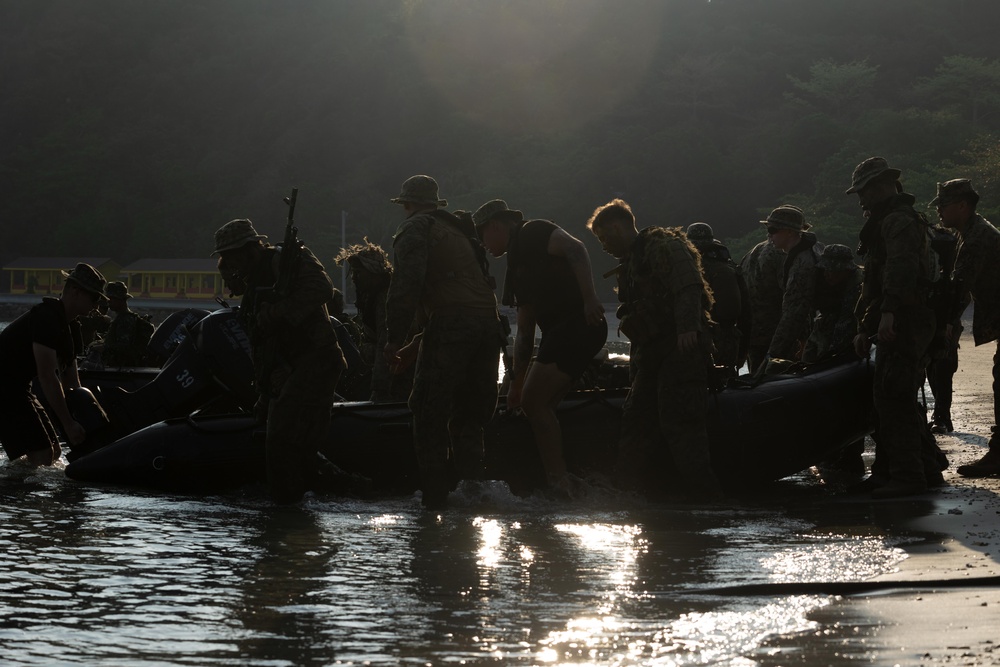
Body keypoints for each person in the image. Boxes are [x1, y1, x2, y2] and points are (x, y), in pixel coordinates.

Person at [587, 198, 723, 500]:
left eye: (604, 237)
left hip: (680, 346)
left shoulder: (663, 245)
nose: (604, 246)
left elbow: (688, 286)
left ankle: (706, 499)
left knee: (682, 425)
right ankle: (630, 494)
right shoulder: (633, 262)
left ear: (618, 227)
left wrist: (688, 328)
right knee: (636, 420)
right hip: (652, 351)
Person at [383, 175, 505, 509]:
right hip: (488, 325)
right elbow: (463, 297)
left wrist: (394, 338)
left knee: (427, 409)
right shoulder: (457, 230)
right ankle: (474, 494)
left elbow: (407, 285)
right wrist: (416, 344)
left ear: (407, 204)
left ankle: (434, 500)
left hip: (454, 324)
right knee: (468, 415)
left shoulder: (416, 228)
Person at [473, 199, 608, 496]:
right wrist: (516, 382)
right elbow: (525, 329)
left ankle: (559, 482)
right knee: (538, 404)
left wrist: (589, 298)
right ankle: (562, 477)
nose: (482, 245)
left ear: (495, 226)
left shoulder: (533, 232)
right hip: (559, 334)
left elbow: (576, 249)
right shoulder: (516, 264)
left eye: (482, 236)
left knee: (535, 403)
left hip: (579, 325)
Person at [212, 217, 345, 504]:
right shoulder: (253, 288)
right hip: (290, 367)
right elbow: (262, 347)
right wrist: (264, 390)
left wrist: (277, 312)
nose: (232, 266)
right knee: (286, 438)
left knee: (283, 440)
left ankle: (290, 510)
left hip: (316, 358)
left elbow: (322, 289)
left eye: (233, 256)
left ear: (248, 249)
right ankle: (311, 496)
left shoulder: (286, 262)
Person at [848, 156, 939, 498]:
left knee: (893, 397)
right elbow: (872, 278)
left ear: (882, 187)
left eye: (865, 191)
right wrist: (863, 324)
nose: (861, 199)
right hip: (898, 315)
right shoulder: (885, 221)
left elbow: (900, 271)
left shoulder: (898, 221)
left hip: (905, 318)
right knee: (892, 396)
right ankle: (913, 469)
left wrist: (887, 314)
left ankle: (907, 476)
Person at [0, 263, 107, 466]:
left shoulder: (72, 327)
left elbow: (71, 383)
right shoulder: (46, 317)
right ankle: (13, 492)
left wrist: (80, 421)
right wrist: (67, 423)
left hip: (21, 388)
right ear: (75, 291)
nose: (96, 304)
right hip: (4, 389)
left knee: (54, 452)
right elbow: (47, 376)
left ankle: (19, 481)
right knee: (42, 454)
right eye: (94, 298)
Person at [927, 179, 1000, 477]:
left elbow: (960, 287)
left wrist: (946, 323)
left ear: (963, 206)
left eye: (944, 206)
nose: (939, 211)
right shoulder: (969, 233)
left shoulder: (977, 237)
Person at [335, 238, 413, 403]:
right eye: (354, 273)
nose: (355, 278)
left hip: (395, 374)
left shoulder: (384, 298)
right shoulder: (371, 296)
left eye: (359, 273)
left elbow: (385, 344)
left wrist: (379, 388)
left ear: (374, 273)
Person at [686, 222, 750, 376]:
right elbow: (746, 313)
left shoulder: (686, 270)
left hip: (694, 340)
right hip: (727, 341)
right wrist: (743, 352)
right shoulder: (729, 268)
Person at [761, 205, 822, 365]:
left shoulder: (803, 262)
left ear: (790, 231)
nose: (769, 235)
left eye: (773, 229)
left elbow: (794, 313)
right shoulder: (802, 254)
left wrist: (772, 355)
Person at [802, 244, 862, 362]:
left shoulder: (857, 285)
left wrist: (831, 355)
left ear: (844, 270)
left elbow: (846, 322)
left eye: (830, 270)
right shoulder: (830, 284)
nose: (826, 274)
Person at [739, 233, 786, 374]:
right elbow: (791, 296)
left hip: (752, 332)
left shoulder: (751, 253)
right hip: (776, 332)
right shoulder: (780, 254)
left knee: (756, 377)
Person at [101, 281, 154, 367]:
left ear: (121, 300)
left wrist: (103, 348)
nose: (109, 302)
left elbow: (123, 348)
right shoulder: (123, 318)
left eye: (111, 299)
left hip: (123, 367)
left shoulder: (125, 320)